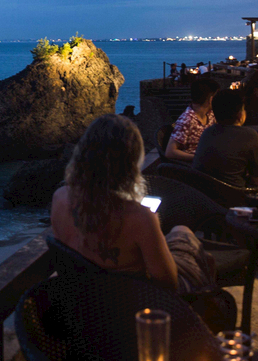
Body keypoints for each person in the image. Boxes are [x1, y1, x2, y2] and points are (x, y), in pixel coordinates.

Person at [51, 114, 218, 295]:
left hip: (85, 297)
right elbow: (168, 282)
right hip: (133, 303)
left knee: (180, 231)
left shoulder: (60, 198)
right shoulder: (140, 217)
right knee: (186, 235)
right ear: (130, 162)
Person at [192, 90, 258, 188]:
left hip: (202, 194)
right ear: (240, 115)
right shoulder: (249, 135)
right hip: (233, 197)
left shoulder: (207, 132)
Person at [166, 78, 220, 162]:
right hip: (195, 166)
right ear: (210, 99)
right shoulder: (187, 119)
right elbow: (170, 152)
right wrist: (198, 158)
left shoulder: (210, 114)